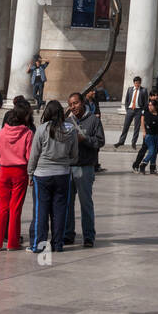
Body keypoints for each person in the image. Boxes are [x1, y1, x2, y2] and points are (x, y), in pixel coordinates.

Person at [27, 100, 78, 253]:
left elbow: (34, 154)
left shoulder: (42, 129)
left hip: (42, 174)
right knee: (60, 210)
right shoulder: (71, 130)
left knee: (41, 210)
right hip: (62, 174)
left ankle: (38, 244)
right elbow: (75, 156)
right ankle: (57, 244)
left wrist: (30, 173)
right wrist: (64, 161)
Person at [0, 108, 33, 251]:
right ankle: (13, 242)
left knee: (2, 208)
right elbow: (29, 155)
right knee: (15, 208)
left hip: (4, 172)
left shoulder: (1, 133)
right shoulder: (28, 133)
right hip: (20, 172)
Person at [64, 90, 105, 246]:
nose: (73, 107)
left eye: (75, 103)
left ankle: (88, 236)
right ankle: (68, 234)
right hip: (68, 167)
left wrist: (84, 139)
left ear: (82, 102)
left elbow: (100, 141)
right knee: (67, 202)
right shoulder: (67, 121)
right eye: (70, 105)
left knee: (86, 203)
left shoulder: (94, 121)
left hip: (85, 167)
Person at [133, 90, 158, 174]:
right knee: (144, 149)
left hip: (157, 133)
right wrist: (143, 131)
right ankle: (136, 165)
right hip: (148, 133)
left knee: (155, 151)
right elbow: (143, 119)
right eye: (154, 96)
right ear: (150, 97)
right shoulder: (147, 107)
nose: (155, 97)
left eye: (157, 95)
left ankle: (152, 168)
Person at [116, 76, 148, 148]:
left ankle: (133, 143)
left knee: (136, 128)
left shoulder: (143, 90)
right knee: (125, 126)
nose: (137, 84)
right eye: (136, 83)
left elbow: (146, 102)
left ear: (140, 83)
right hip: (130, 109)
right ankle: (121, 141)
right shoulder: (130, 89)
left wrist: (143, 110)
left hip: (138, 110)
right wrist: (127, 109)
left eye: (138, 83)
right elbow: (126, 99)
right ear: (134, 83)